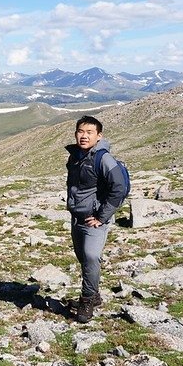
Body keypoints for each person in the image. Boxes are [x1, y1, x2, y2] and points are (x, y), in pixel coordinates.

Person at [64, 115, 127, 323]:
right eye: (81, 131)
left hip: (94, 220)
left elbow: (119, 188)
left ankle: (87, 299)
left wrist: (102, 216)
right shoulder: (75, 156)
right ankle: (95, 295)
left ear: (99, 136)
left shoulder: (103, 158)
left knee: (91, 257)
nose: (84, 136)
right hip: (77, 217)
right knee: (84, 259)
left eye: (89, 132)